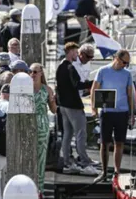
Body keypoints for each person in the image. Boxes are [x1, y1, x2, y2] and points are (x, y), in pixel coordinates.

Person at [91, 50, 134, 183]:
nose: (125, 65)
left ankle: (117, 172)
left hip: (122, 112)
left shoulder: (127, 74)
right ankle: (104, 172)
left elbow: (130, 95)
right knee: (104, 143)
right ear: (117, 59)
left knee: (119, 143)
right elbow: (94, 89)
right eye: (124, 62)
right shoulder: (102, 71)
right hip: (107, 112)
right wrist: (94, 108)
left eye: (127, 63)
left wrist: (132, 114)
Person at [56, 43, 97, 174]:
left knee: (67, 135)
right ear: (70, 52)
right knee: (81, 133)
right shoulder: (70, 67)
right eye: (75, 52)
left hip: (63, 105)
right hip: (73, 105)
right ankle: (85, 163)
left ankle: (67, 163)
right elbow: (78, 85)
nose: (76, 54)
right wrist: (94, 83)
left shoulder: (60, 67)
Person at [30, 63, 56, 193]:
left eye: (35, 72)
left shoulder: (47, 89)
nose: (32, 74)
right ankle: (29, 185)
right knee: (29, 155)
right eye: (30, 72)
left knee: (40, 157)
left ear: (41, 73)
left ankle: (39, 188)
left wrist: (53, 100)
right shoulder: (25, 88)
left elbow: (54, 110)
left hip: (42, 124)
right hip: (29, 124)